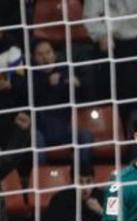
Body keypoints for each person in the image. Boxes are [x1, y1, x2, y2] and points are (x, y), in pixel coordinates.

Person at [31, 40, 95, 178]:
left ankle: (79, 175)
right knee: (36, 140)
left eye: (48, 53)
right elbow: (29, 97)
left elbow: (86, 91)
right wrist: (46, 83)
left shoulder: (65, 73)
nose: (45, 57)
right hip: (40, 130)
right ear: (35, 58)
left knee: (85, 136)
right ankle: (41, 179)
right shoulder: (31, 77)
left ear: (54, 55)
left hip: (62, 130)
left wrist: (76, 82)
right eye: (40, 54)